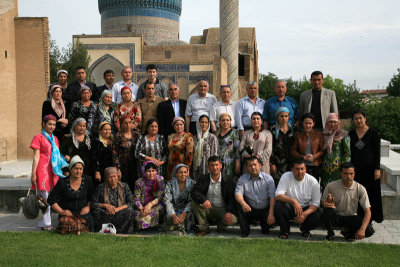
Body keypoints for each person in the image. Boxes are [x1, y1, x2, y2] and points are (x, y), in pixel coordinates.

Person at [30, 115, 68, 230]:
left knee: (52, 195)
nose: (52, 127)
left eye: (54, 124)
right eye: (49, 124)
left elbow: (56, 155)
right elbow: (36, 157)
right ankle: (47, 224)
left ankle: (44, 222)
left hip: (53, 169)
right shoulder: (38, 137)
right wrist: (33, 174)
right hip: (42, 169)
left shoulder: (55, 138)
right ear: (43, 124)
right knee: (45, 197)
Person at [322, 162, 375, 241]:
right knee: (327, 210)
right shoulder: (331, 186)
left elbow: (368, 212)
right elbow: (322, 202)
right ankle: (330, 233)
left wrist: (362, 229)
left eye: (351, 174)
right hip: (336, 216)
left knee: (369, 230)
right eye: (345, 174)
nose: (348, 177)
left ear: (354, 174)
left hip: (351, 217)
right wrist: (327, 204)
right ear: (341, 174)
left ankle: (349, 233)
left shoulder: (360, 188)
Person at [349, 110, 383, 223]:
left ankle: (371, 218)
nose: (358, 120)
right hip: (356, 169)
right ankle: (359, 216)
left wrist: (377, 169)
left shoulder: (373, 133)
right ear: (353, 120)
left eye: (360, 118)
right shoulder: (352, 134)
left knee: (371, 194)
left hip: (370, 169)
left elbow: (377, 152)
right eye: (356, 118)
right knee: (358, 193)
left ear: (365, 118)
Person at [274, 159, 322, 239]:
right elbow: (278, 195)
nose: (300, 172)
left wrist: (304, 214)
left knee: (318, 215)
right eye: (297, 169)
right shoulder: (286, 176)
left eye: (302, 169)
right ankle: (284, 231)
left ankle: (305, 229)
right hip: (291, 207)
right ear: (292, 170)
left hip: (305, 208)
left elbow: (316, 203)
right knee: (279, 206)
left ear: (305, 169)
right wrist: (294, 201)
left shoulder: (313, 181)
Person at [191, 156, 237, 236]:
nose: (215, 168)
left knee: (233, 220)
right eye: (212, 165)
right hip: (208, 208)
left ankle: (220, 226)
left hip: (222, 209)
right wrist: (203, 200)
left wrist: (229, 211)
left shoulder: (228, 180)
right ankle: (204, 228)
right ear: (208, 167)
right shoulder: (203, 178)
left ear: (221, 166)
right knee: (194, 203)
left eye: (216, 165)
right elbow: (194, 192)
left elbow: (232, 198)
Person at [47, 155, 94, 231]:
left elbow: (91, 197)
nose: (78, 171)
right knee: (67, 226)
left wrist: (88, 207)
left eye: (80, 169)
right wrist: (61, 211)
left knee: (88, 222)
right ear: (70, 169)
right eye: (76, 168)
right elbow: (51, 199)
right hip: (67, 215)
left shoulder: (87, 180)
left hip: (83, 214)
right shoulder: (62, 182)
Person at [235, 156, 276, 237]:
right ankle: (245, 230)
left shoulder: (269, 179)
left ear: (260, 165)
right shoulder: (242, 179)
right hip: (250, 209)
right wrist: (244, 204)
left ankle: (266, 225)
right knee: (239, 204)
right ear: (246, 167)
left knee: (266, 231)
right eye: (250, 165)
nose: (253, 167)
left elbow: (272, 197)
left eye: (255, 165)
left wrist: (271, 214)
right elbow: (237, 194)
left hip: (265, 210)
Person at [91, 167, 135, 234]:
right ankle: (105, 230)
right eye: (110, 177)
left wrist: (117, 209)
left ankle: (121, 232)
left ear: (117, 176)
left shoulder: (124, 186)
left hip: (119, 213)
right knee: (96, 212)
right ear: (106, 178)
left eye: (114, 176)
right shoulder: (100, 187)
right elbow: (93, 204)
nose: (113, 179)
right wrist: (105, 206)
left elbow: (131, 202)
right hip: (106, 213)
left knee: (130, 210)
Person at [162, 164, 196, 235]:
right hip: (173, 208)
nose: (183, 174)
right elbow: (167, 201)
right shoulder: (170, 184)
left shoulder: (192, 184)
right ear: (176, 174)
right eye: (180, 172)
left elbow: (192, 201)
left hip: (186, 209)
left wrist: (183, 214)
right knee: (169, 218)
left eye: (185, 172)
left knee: (187, 219)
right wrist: (173, 215)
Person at [321, 113, 351, 190]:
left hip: (338, 168)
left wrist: (344, 166)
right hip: (325, 168)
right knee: (326, 188)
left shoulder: (343, 135)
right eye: (330, 122)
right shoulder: (323, 135)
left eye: (335, 122)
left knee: (338, 189)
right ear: (327, 123)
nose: (333, 124)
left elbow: (348, 153)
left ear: (338, 123)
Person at [133, 161, 165, 229]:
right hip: (142, 207)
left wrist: (150, 204)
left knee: (154, 213)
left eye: (153, 170)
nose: (151, 173)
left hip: (156, 205)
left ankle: (154, 227)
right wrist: (142, 208)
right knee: (140, 216)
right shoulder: (139, 182)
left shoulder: (160, 180)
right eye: (148, 171)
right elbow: (136, 198)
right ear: (144, 172)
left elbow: (161, 196)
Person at [291, 113, 324, 180]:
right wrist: (303, 157)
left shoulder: (319, 134)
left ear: (313, 123)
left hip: (315, 165)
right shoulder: (298, 135)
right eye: (306, 123)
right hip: (302, 166)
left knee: (314, 186)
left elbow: (322, 150)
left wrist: (314, 156)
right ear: (303, 123)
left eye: (310, 123)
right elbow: (293, 150)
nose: (308, 125)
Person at [270, 107, 297, 185]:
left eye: (286, 116)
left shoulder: (293, 129)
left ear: (289, 117)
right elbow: (271, 147)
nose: (284, 118)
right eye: (281, 116)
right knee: (279, 184)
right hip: (279, 163)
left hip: (291, 162)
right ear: (278, 117)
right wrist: (272, 164)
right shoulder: (273, 130)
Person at [112, 115, 140, 192]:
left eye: (129, 123)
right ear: (121, 124)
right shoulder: (118, 136)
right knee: (124, 187)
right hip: (123, 166)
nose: (128, 125)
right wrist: (117, 169)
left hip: (135, 165)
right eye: (125, 123)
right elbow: (114, 153)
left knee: (135, 186)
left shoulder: (136, 135)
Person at [192, 115, 219, 181]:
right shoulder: (194, 138)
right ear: (198, 123)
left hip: (208, 168)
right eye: (202, 122)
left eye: (206, 122)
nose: (204, 124)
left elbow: (214, 155)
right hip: (196, 169)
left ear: (208, 124)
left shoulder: (212, 137)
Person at [216, 113, 240, 179]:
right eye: (223, 120)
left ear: (230, 121)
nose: (225, 122)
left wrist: (237, 164)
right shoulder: (216, 133)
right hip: (218, 163)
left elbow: (237, 149)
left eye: (227, 120)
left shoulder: (234, 132)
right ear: (219, 122)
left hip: (230, 163)